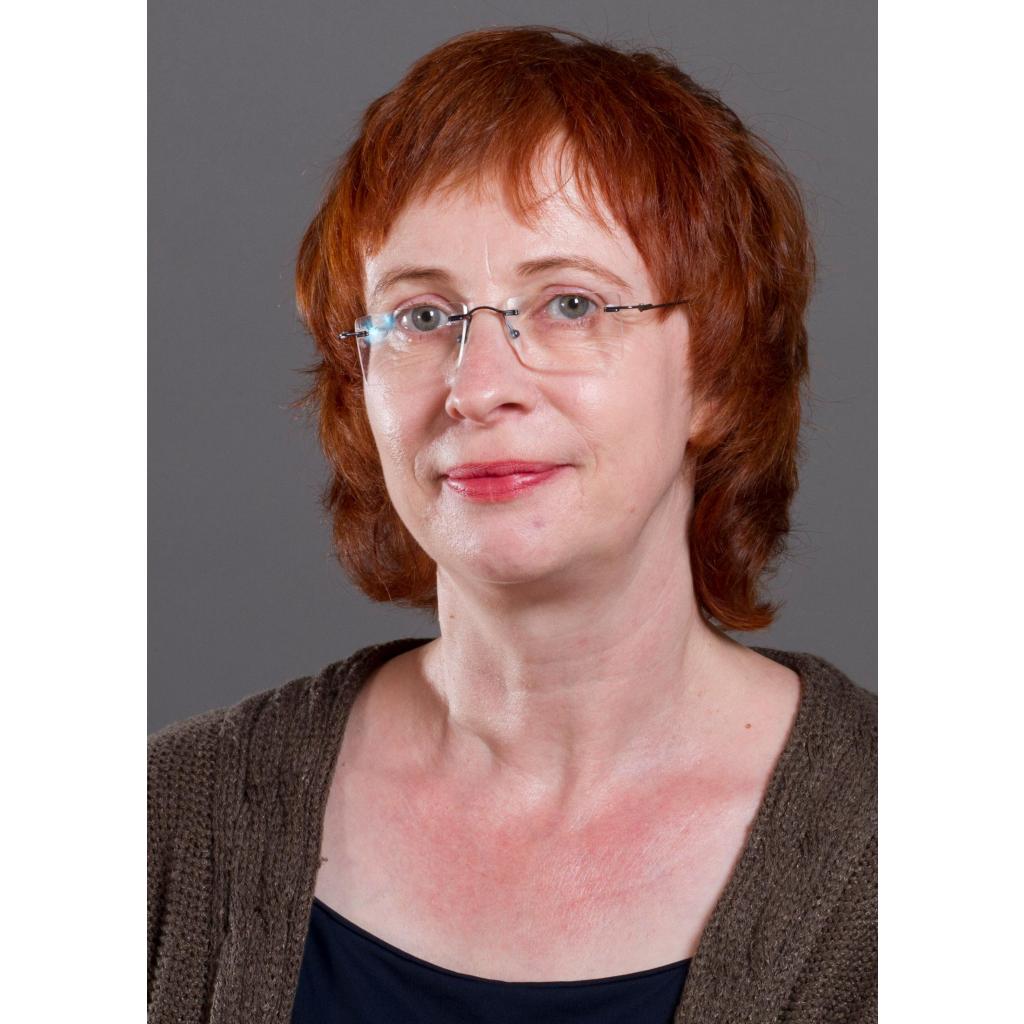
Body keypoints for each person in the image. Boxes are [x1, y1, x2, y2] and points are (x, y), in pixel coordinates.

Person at [148, 25, 876, 1024]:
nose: (477, 386)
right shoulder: (162, 821)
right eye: (420, 316)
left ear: (715, 371)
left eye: (570, 304)